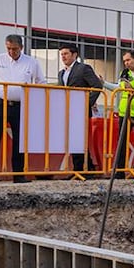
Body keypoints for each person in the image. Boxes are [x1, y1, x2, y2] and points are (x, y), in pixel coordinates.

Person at [0, 34, 44, 183]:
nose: (11, 52)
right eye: (8, 48)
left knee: (20, 140)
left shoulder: (32, 63)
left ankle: (18, 174)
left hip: (21, 105)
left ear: (21, 47)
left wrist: (36, 102)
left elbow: (41, 82)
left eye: (14, 49)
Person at [57, 43, 103, 172]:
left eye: (66, 54)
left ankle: (81, 168)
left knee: (79, 139)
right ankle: (85, 167)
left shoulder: (83, 69)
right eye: (61, 54)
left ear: (74, 54)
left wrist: (85, 103)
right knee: (71, 140)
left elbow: (97, 86)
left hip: (80, 110)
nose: (63, 57)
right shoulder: (61, 73)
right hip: (67, 110)